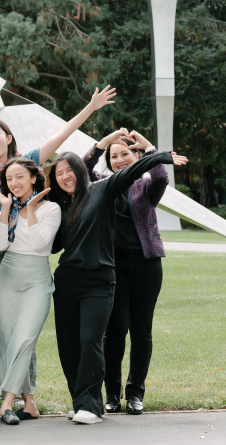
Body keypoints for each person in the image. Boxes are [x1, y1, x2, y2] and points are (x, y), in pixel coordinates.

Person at [0, 85, 118, 401]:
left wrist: (90, 107)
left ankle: (27, 396)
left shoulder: (27, 161)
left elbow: (62, 137)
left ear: (8, 138)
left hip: (26, 254)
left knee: (26, 327)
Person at [47, 148, 186, 424]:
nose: (64, 176)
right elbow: (53, 245)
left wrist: (159, 157)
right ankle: (80, 401)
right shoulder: (59, 205)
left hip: (100, 277)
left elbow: (133, 171)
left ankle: (92, 404)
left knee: (91, 339)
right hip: (67, 279)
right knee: (69, 344)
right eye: (58, 173)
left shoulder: (101, 189)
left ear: (80, 171)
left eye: (69, 170)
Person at [82, 129, 173, 416]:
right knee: (116, 328)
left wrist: (148, 147)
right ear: (108, 161)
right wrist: (102, 144)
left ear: (135, 156)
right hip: (114, 264)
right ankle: (112, 394)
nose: (120, 159)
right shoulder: (101, 184)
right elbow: (82, 168)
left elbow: (161, 176)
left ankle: (136, 394)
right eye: (114, 156)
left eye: (125, 154)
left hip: (146, 262)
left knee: (141, 329)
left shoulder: (146, 186)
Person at [0, 158, 61, 425]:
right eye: (9, 179)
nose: (14, 183)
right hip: (7, 278)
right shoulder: (9, 207)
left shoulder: (50, 208)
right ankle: (29, 403)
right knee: (8, 342)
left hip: (36, 280)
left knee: (24, 340)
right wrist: (5, 210)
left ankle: (6, 403)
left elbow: (42, 245)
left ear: (33, 178)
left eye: (19, 176)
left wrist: (30, 211)